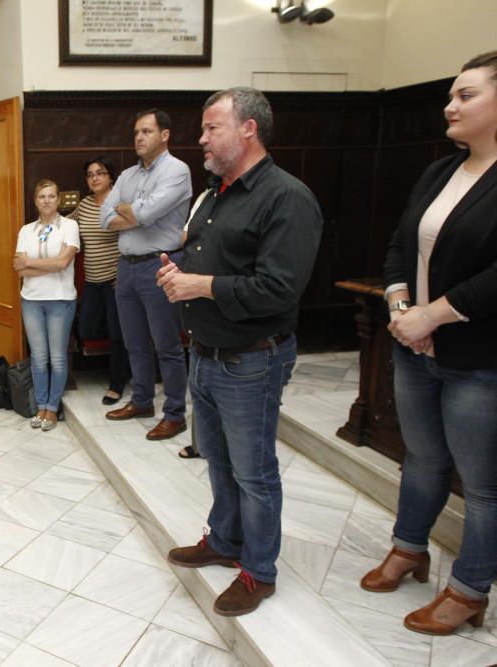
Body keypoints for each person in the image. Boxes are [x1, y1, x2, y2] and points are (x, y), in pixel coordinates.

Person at [159, 87, 322, 617]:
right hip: (205, 353)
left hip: (253, 358)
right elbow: (211, 259)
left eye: (212, 128)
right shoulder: (217, 191)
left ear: (248, 129)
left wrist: (200, 286)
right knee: (218, 462)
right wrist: (179, 275)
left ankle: (259, 570)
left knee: (254, 472)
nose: (201, 138)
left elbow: (278, 288)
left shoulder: (286, 197)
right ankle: (225, 539)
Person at [362, 51, 497, 636]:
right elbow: (399, 244)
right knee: (421, 459)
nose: (450, 105)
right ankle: (408, 548)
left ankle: (469, 589)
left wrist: (432, 316)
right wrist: (399, 307)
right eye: (451, 94)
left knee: (483, 483)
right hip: (415, 347)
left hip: (477, 359)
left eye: (465, 95)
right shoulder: (440, 171)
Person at [101, 109, 192, 441]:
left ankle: (175, 414)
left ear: (164, 135)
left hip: (160, 264)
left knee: (167, 345)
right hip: (125, 267)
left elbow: (147, 212)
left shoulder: (177, 171)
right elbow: (103, 216)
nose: (138, 137)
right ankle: (141, 401)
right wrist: (136, 215)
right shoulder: (126, 175)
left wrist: (133, 212)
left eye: (146, 131)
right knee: (134, 343)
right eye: (136, 132)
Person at [13, 180, 80, 432]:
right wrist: (49, 263)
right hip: (31, 299)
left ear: (58, 200)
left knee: (58, 358)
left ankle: (52, 408)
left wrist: (32, 263)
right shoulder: (25, 231)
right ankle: (41, 405)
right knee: (39, 358)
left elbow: (64, 263)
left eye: (52, 196)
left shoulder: (70, 226)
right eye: (42, 196)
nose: (47, 200)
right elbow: (19, 268)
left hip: (60, 299)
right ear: (35, 200)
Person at [68, 157, 129, 405]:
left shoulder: (121, 204)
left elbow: (137, 236)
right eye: (90, 174)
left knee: (116, 335)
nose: (94, 178)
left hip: (116, 280)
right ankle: (129, 342)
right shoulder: (84, 205)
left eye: (100, 173)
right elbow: (65, 223)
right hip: (93, 281)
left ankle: (117, 384)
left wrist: (125, 274)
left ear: (110, 177)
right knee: (87, 330)